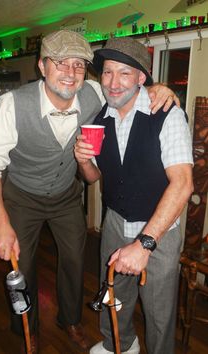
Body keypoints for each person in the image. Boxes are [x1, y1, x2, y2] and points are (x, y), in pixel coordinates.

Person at [0, 30, 178, 354]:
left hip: (66, 195)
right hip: (22, 196)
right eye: (60, 63)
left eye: (79, 65)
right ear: (42, 66)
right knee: (21, 267)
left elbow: (126, 86)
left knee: (73, 260)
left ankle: (69, 320)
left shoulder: (95, 92)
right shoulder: (12, 104)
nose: (70, 73)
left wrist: (156, 88)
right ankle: (28, 327)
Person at [74, 37, 194, 354]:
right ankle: (121, 343)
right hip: (115, 222)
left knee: (158, 312)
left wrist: (144, 243)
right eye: (108, 72)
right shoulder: (99, 120)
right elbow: (94, 178)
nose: (113, 83)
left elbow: (183, 184)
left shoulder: (167, 114)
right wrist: (83, 160)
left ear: (142, 78)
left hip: (159, 232)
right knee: (114, 292)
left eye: (124, 73)